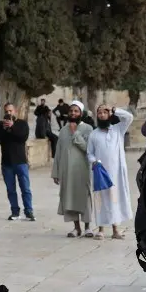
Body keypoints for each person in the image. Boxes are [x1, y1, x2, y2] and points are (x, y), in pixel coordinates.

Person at [87, 104, 134, 239]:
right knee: (100, 200)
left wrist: (115, 110)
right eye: (99, 113)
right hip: (100, 173)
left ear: (109, 115)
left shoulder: (118, 129)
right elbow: (89, 153)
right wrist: (94, 161)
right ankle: (101, 229)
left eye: (104, 112)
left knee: (115, 199)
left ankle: (115, 230)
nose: (102, 115)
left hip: (116, 173)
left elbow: (129, 117)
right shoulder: (93, 134)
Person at [52, 100, 94, 237]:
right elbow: (58, 152)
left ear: (81, 113)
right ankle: (76, 228)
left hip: (83, 170)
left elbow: (89, 149)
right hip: (67, 171)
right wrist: (56, 172)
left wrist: (76, 133)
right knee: (69, 198)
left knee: (85, 197)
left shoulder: (88, 129)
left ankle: (87, 227)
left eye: (76, 111)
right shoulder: (63, 130)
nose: (73, 113)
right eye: (71, 111)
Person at [0, 103, 34, 222]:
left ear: (15, 111)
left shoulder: (22, 124)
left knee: (25, 188)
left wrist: (13, 127)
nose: (9, 113)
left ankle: (29, 211)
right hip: (7, 163)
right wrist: (4, 129)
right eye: (6, 111)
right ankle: (15, 211)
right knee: (11, 189)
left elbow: (23, 137)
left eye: (10, 111)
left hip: (20, 162)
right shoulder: (0, 125)